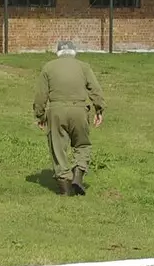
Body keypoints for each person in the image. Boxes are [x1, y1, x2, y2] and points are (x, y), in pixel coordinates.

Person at [32, 40, 104, 195]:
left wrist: (40, 115)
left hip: (56, 110)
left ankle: (65, 187)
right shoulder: (84, 67)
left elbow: (40, 95)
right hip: (79, 109)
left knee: (58, 148)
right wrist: (99, 109)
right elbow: (95, 89)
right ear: (74, 52)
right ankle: (78, 173)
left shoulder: (48, 67)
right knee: (82, 144)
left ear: (58, 53)